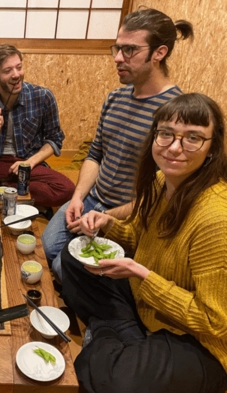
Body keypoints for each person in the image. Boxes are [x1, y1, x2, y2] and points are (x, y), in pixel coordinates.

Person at [60, 93, 227, 393]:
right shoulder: (162, 182)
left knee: (116, 381)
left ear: (212, 147)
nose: (175, 147)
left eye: (193, 138)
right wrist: (107, 224)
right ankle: (124, 336)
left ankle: (110, 334)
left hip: (197, 339)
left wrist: (141, 274)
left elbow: (213, 320)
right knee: (73, 257)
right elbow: (138, 238)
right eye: (166, 134)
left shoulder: (216, 218)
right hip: (148, 303)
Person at [41, 8, 194, 283]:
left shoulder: (175, 113)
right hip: (92, 200)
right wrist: (77, 198)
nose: (117, 58)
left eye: (129, 50)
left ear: (159, 53)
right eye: (117, 48)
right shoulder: (115, 97)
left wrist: (104, 216)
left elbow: (160, 195)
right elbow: (95, 153)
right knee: (49, 248)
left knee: (67, 268)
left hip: (128, 214)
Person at [0, 44, 75, 210]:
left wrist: (28, 163)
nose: (16, 75)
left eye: (19, 67)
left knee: (67, 190)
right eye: (7, 71)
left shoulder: (43, 96)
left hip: (28, 164)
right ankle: (16, 193)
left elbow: (54, 140)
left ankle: (0, 193)